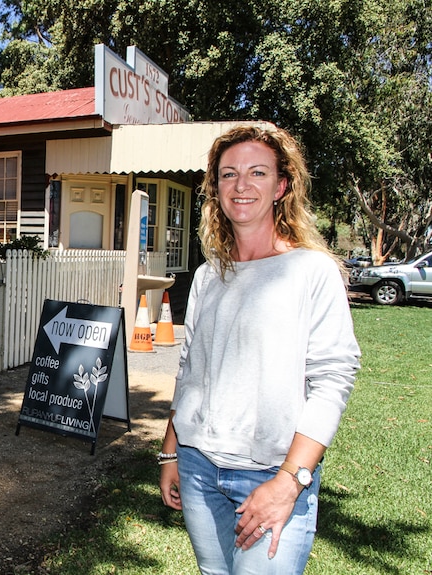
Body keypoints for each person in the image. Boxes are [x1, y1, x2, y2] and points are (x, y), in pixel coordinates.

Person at [158, 124, 361, 574]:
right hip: (197, 467)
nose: (242, 185)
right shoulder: (210, 274)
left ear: (281, 186)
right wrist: (171, 452)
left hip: (271, 474)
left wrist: (290, 481)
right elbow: (191, 368)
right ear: (215, 188)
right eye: (228, 174)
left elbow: (332, 381)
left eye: (257, 173)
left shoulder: (312, 271)